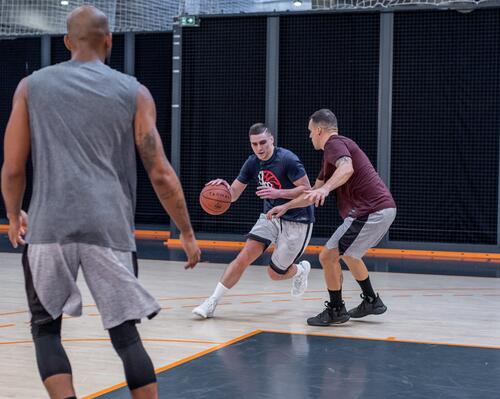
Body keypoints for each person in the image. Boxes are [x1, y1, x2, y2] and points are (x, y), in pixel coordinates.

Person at [1, 6, 200, 399]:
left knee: (45, 329)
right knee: (125, 334)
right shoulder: (134, 92)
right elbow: (160, 171)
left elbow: (12, 168)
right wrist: (187, 232)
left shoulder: (30, 87)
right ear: (109, 40)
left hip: (48, 227)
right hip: (109, 228)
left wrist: (12, 214)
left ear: (67, 42)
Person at [267, 109, 396, 326]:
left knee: (327, 256)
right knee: (350, 255)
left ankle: (336, 310)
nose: (309, 136)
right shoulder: (329, 157)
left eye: (310, 131)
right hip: (379, 209)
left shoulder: (334, 144)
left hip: (371, 210)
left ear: (319, 130)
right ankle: (372, 301)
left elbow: (346, 168)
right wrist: (285, 206)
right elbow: (311, 194)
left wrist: (326, 189)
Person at [192, 123, 314, 319]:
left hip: (297, 219)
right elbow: (232, 195)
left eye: (263, 142)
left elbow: (307, 190)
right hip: (270, 217)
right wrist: (222, 186)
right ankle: (212, 301)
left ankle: (300, 270)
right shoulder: (252, 163)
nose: (260, 148)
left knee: (274, 274)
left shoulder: (287, 159)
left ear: (272, 139)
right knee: (243, 257)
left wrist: (279, 193)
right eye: (255, 144)